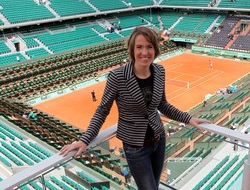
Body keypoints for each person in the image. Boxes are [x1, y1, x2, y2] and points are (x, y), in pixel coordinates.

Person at [60, 26, 210, 190]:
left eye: (149, 46)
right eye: (139, 47)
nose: (144, 52)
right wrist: (84, 139)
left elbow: (163, 105)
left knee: (155, 184)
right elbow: (102, 110)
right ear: (132, 49)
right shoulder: (117, 77)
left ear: (155, 49)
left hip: (159, 140)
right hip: (135, 148)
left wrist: (188, 118)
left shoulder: (159, 71)